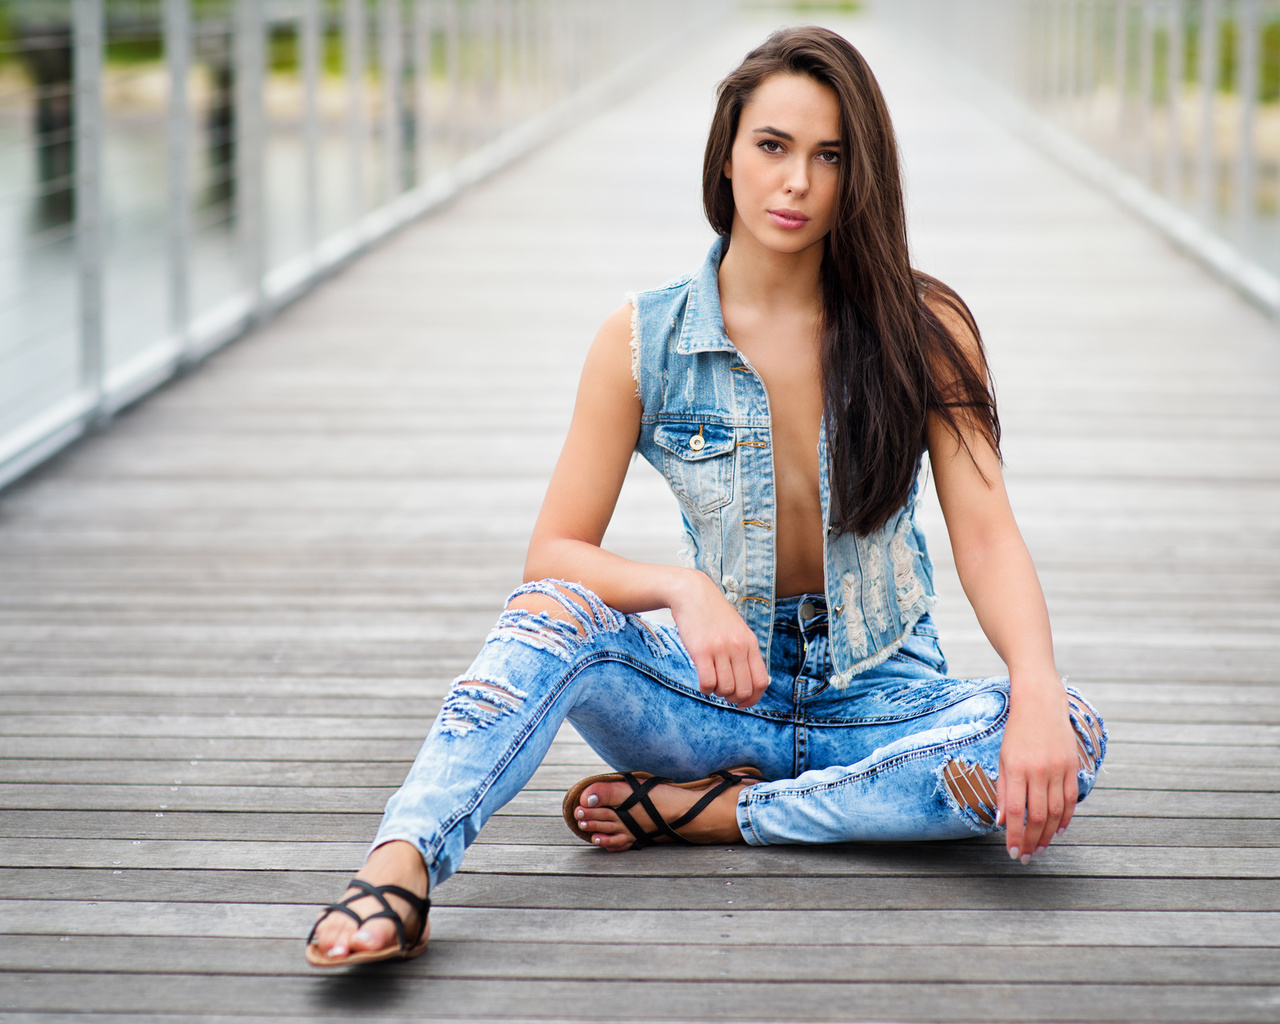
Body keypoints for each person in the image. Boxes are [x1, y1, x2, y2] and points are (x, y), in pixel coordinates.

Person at [304, 25, 1106, 968]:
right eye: (772, 147)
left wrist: (1040, 690)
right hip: (716, 699)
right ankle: (403, 862)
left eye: (829, 156)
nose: (796, 182)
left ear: (863, 175)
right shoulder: (640, 342)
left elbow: (989, 539)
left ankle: (730, 814)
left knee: (1073, 732)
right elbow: (554, 556)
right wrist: (684, 592)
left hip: (885, 704)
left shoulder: (923, 329)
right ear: (727, 154)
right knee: (547, 617)